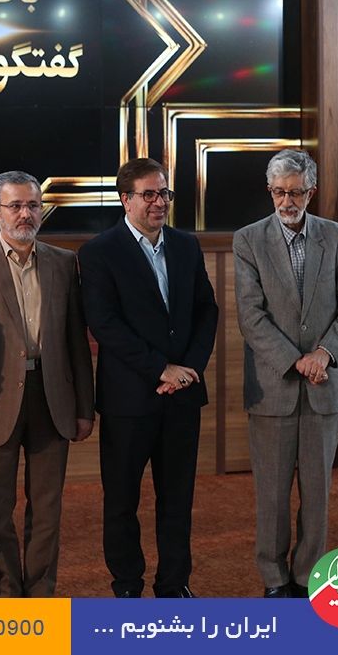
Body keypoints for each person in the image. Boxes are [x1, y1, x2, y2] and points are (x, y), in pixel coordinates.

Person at [78, 157, 218, 598]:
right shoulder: (99, 252)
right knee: (122, 501)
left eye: (164, 194)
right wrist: (161, 368)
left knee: (177, 500)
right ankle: (127, 586)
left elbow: (206, 311)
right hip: (129, 400)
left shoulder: (186, 245)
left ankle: (174, 584)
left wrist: (189, 370)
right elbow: (104, 323)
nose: (160, 203)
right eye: (149, 195)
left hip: (182, 397)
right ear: (126, 199)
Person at [0, 170, 95, 597]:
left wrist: (84, 406)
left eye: (33, 205)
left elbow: (77, 340)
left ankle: (40, 593)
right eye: (15, 206)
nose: (25, 214)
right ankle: (7, 592)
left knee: (47, 509)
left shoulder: (64, 262)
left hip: (53, 397)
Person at [233, 149, 338, 598]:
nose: (286, 201)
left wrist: (324, 354)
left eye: (296, 192)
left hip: (324, 386)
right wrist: (296, 360)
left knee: (317, 491)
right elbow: (251, 316)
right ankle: (274, 578)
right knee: (271, 492)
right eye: (279, 192)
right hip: (274, 386)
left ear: (312, 192)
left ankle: (308, 576)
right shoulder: (249, 240)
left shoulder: (335, 235)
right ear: (270, 191)